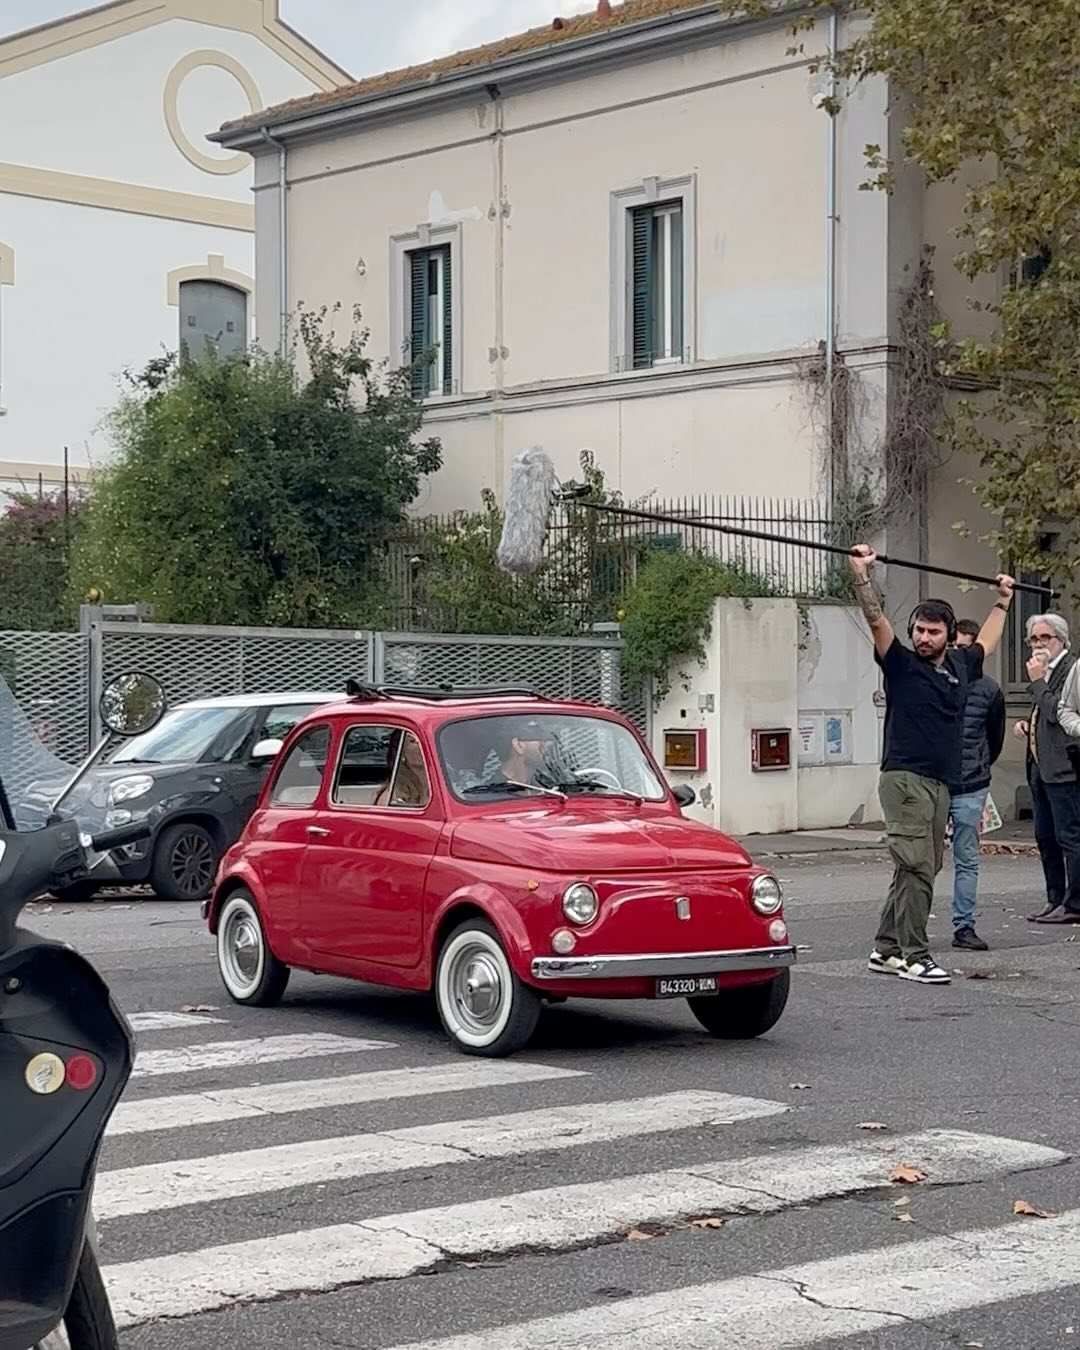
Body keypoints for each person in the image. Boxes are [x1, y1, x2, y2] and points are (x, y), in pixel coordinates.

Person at [849, 545, 1015, 984]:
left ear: (947, 635)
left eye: (932, 631)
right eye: (919, 630)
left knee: (921, 866)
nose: (923, 637)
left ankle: (885, 950)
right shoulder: (900, 665)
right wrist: (862, 576)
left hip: (943, 783)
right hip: (904, 779)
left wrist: (1003, 600)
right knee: (917, 865)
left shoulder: (962, 666)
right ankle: (914, 954)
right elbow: (875, 620)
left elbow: (988, 641)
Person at [1013, 614, 1080, 924]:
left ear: (1061, 641)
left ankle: (1075, 904)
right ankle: (1055, 899)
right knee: (1045, 836)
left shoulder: (1070, 670)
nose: (1038, 645)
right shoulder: (1044, 672)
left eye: (1045, 638)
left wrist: (1039, 682)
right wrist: (1030, 726)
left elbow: (1059, 714)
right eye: (1034, 639)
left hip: (1066, 768)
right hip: (1040, 768)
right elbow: (1045, 717)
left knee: (1070, 836)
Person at [948, 619, 1006, 951]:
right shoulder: (938, 682)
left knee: (967, 858)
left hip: (971, 783)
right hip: (937, 782)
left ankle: (964, 925)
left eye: (968, 647)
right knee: (922, 860)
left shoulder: (989, 689)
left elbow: (994, 738)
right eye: (957, 646)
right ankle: (909, 928)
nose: (962, 653)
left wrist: (981, 767)